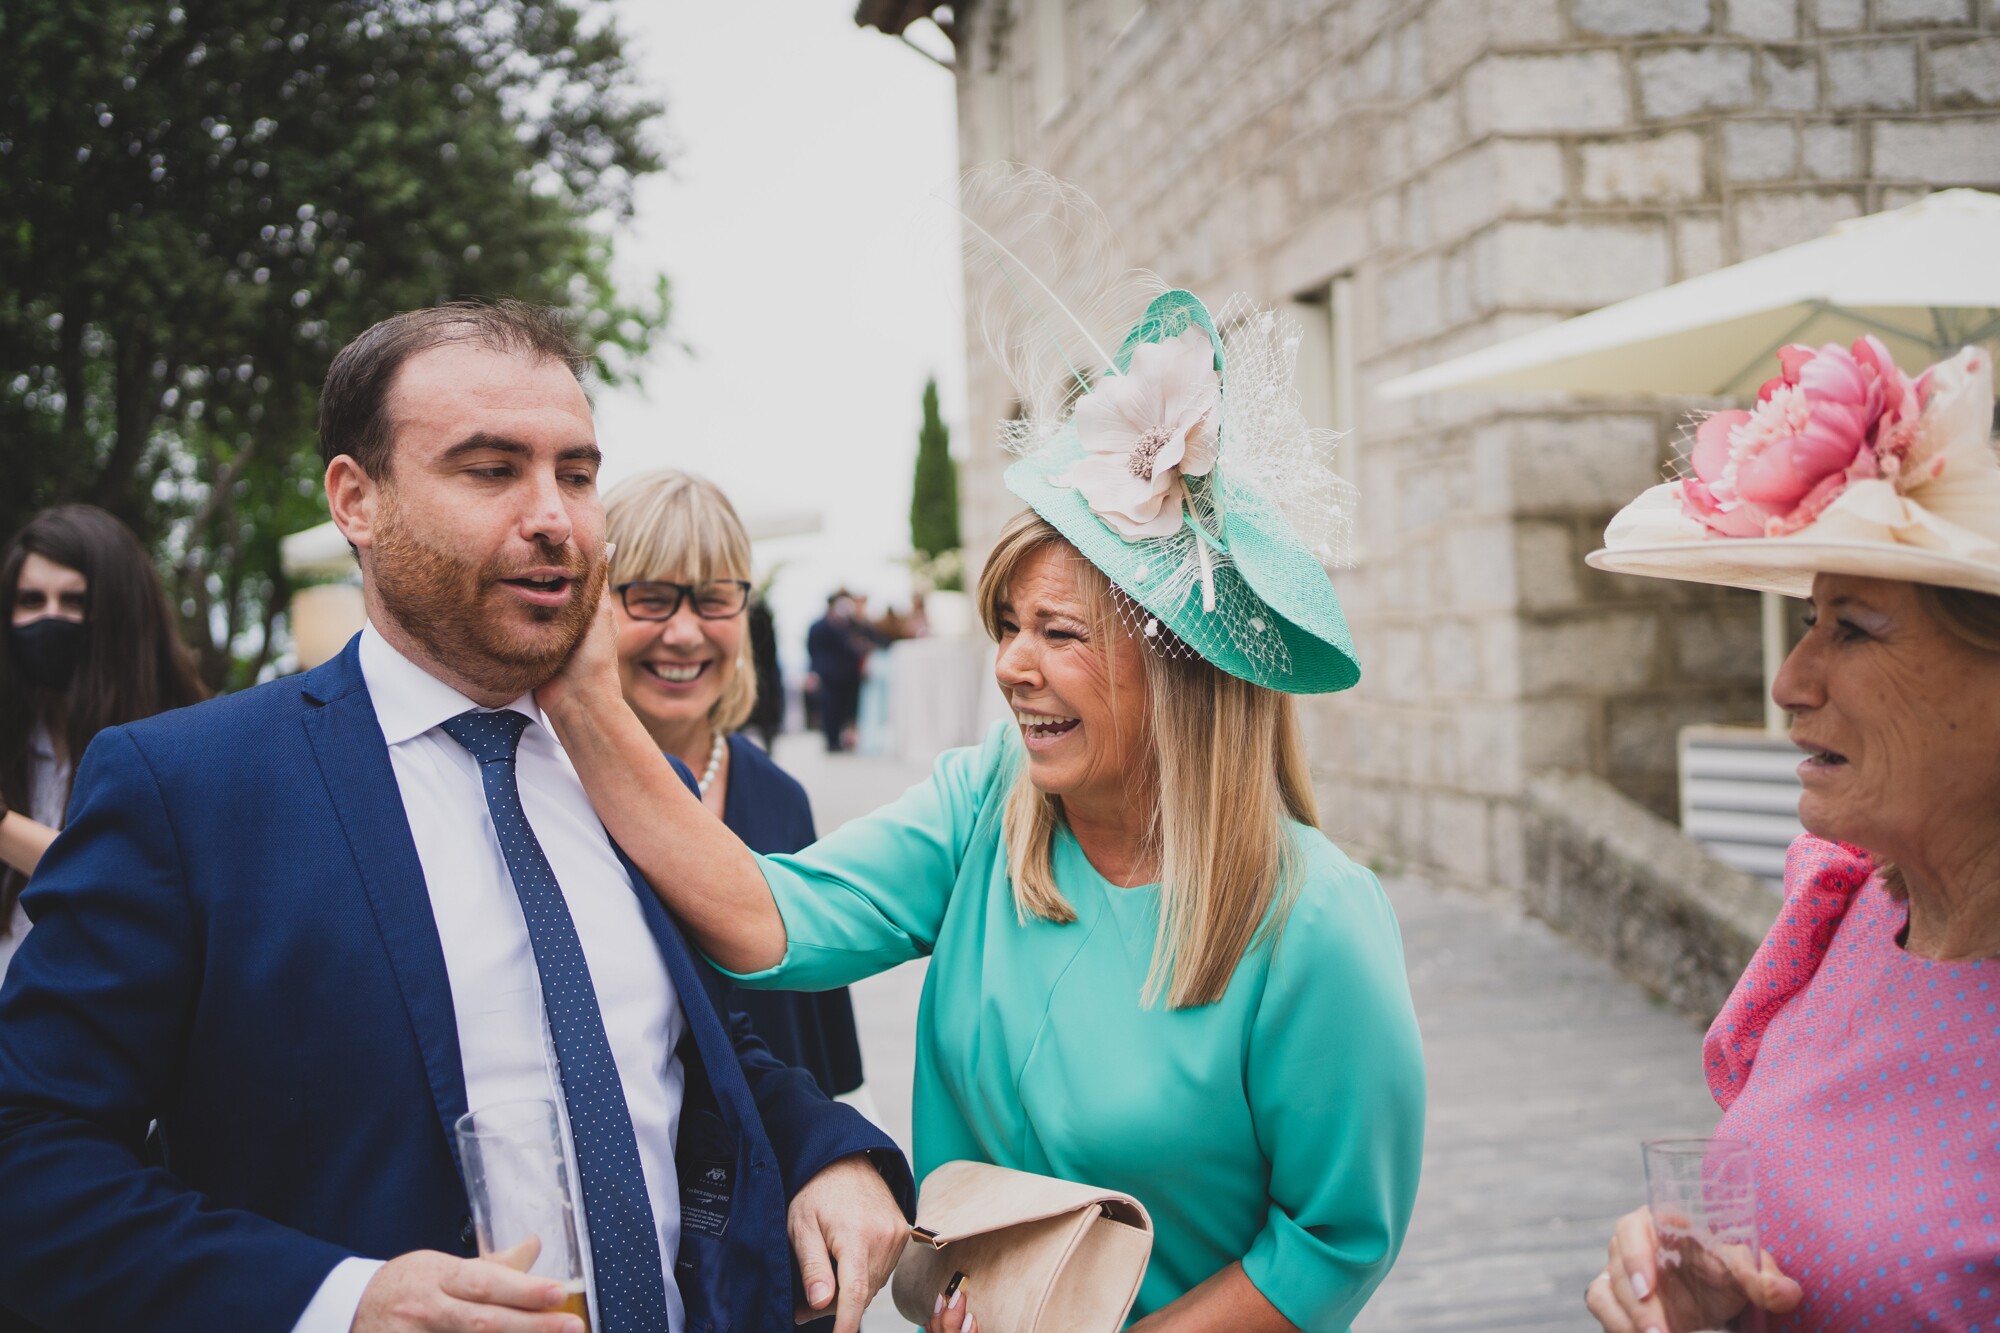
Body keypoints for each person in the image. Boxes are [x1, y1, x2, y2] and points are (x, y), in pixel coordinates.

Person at [0, 302, 912, 1333]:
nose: (554, 517)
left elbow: (687, 1046)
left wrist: (825, 1150)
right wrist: (341, 1301)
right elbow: (30, 1148)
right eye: (491, 470)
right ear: (357, 500)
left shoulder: (629, 776)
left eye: (577, 474)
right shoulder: (187, 789)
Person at [541, 286, 1427, 1331]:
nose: (1009, 665)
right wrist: (582, 701)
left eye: (1058, 632)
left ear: (1180, 671)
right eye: (1006, 625)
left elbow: (1332, 1239)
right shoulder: (983, 805)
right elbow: (767, 920)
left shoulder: (1314, 917)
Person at [1580, 339, 2000, 1332]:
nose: (1788, 681)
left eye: (1852, 627)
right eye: (1810, 619)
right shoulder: (1843, 912)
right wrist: (1718, 1305)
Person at [602, 469, 865, 1101]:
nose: (684, 632)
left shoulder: (780, 800)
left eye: (714, 599)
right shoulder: (541, 789)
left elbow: (818, 1042)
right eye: (651, 598)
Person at [0, 505, 207, 981]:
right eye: (31, 600)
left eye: (74, 601)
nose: (50, 618)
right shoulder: (13, 740)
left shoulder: (184, 744)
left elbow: (125, 882)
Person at [804, 593, 863, 752]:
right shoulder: (818, 626)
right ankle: (831, 740)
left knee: (844, 708)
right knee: (829, 708)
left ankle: (840, 739)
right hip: (828, 675)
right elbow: (813, 651)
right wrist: (814, 672)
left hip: (846, 675)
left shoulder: (847, 624)